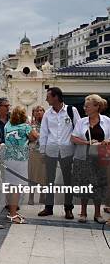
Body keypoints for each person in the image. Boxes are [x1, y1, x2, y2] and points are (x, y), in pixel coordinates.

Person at [38, 87, 81, 219]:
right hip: (51, 150)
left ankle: (68, 208)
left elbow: (78, 129)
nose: (46, 99)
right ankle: (48, 207)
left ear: (56, 97)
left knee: (68, 180)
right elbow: (44, 133)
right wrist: (42, 151)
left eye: (48, 96)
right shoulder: (47, 114)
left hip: (67, 151)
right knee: (49, 180)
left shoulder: (71, 111)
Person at [71, 94, 110, 224]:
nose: (84, 108)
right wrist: (88, 143)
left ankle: (98, 214)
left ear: (96, 107)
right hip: (83, 157)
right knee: (84, 184)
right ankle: (83, 212)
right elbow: (73, 138)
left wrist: (107, 141)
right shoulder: (82, 121)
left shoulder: (107, 121)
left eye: (87, 106)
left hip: (101, 156)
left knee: (99, 184)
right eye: (84, 106)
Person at [3, 106, 36, 223]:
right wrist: (31, 125)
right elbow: (34, 137)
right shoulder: (25, 127)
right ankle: (13, 214)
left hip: (8, 158)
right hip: (20, 159)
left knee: (10, 186)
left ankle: (11, 210)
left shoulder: (7, 125)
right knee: (17, 187)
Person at [27, 105, 47, 205]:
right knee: (32, 175)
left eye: (41, 110)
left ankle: (42, 197)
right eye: (36, 111)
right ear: (33, 113)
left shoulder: (48, 123)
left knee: (44, 175)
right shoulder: (30, 124)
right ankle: (31, 197)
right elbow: (31, 138)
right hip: (34, 151)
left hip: (46, 151)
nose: (39, 112)